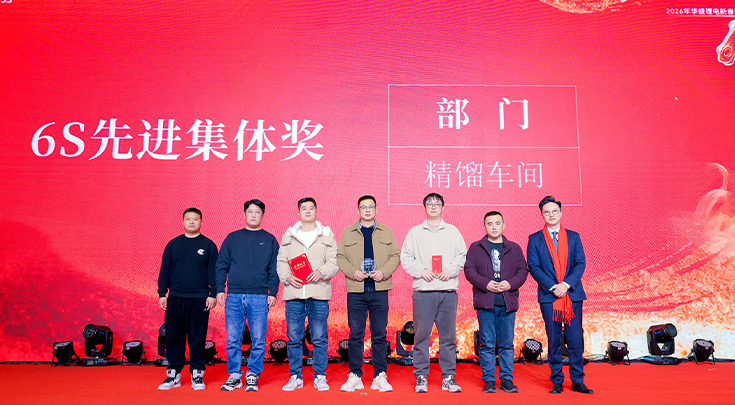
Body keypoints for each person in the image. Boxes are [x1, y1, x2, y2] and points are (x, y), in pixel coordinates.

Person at [400, 193, 467, 393]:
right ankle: (421, 377)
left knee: (448, 337)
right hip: (424, 292)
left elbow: (461, 255)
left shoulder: (453, 231)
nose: (433, 206)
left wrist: (450, 271)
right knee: (421, 336)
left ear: (443, 207)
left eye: (437, 203)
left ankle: (448, 377)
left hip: (447, 291)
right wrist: (421, 271)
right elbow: (405, 257)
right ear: (424, 208)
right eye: (429, 203)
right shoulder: (415, 232)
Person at [527, 196, 593, 394]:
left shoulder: (574, 237)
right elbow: (534, 267)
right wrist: (553, 287)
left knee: (575, 339)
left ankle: (577, 380)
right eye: (546, 212)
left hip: (572, 294)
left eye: (554, 211)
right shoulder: (534, 239)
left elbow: (580, 263)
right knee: (554, 339)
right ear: (542, 215)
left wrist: (565, 284)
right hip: (549, 296)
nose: (551, 214)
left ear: (561, 213)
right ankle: (557, 380)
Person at [337, 195, 400, 392]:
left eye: (370, 207)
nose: (367, 210)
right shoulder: (347, 232)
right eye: (363, 207)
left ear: (375, 209)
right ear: (358, 210)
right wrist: (352, 272)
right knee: (356, 333)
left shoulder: (386, 231)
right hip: (356, 289)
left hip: (379, 288)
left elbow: (396, 255)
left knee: (379, 334)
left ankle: (379, 375)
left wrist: (384, 272)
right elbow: (340, 257)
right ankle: (355, 375)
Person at [216, 199, 280, 392]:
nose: (253, 215)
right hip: (234, 296)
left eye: (257, 212)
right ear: (244, 214)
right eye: (250, 211)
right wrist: (220, 289)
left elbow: (274, 269)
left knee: (258, 339)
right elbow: (222, 265)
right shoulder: (232, 238)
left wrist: (272, 292)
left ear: (263, 215)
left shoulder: (270, 240)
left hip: (259, 296)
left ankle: (253, 375)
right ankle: (234, 376)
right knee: (232, 340)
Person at [276, 197, 339, 391]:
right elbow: (281, 262)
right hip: (294, 294)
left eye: (311, 208)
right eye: (304, 208)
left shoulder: (326, 234)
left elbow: (334, 262)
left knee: (319, 338)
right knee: (294, 338)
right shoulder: (289, 235)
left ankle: (320, 376)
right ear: (298, 213)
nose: (308, 211)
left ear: (316, 212)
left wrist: (321, 272)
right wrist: (287, 277)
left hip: (318, 294)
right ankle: (295, 377)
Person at [464, 211, 528, 393]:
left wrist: (510, 284)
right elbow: (469, 270)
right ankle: (489, 380)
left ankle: (507, 380)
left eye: (497, 223)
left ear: (503, 225)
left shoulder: (514, 248)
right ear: (484, 227)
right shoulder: (476, 247)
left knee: (507, 344)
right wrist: (485, 283)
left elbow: (523, 271)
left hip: (507, 303)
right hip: (486, 303)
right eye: (490, 223)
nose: (494, 227)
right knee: (487, 344)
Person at [157, 207, 218, 391]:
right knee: (174, 336)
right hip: (175, 297)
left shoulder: (208, 245)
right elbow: (165, 270)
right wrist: (162, 294)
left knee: (197, 337)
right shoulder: (173, 245)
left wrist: (213, 295)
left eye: (195, 219)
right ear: (182, 222)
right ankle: (173, 374)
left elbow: (214, 273)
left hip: (200, 298)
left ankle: (197, 373)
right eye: (188, 219)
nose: (192, 222)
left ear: (201, 222)